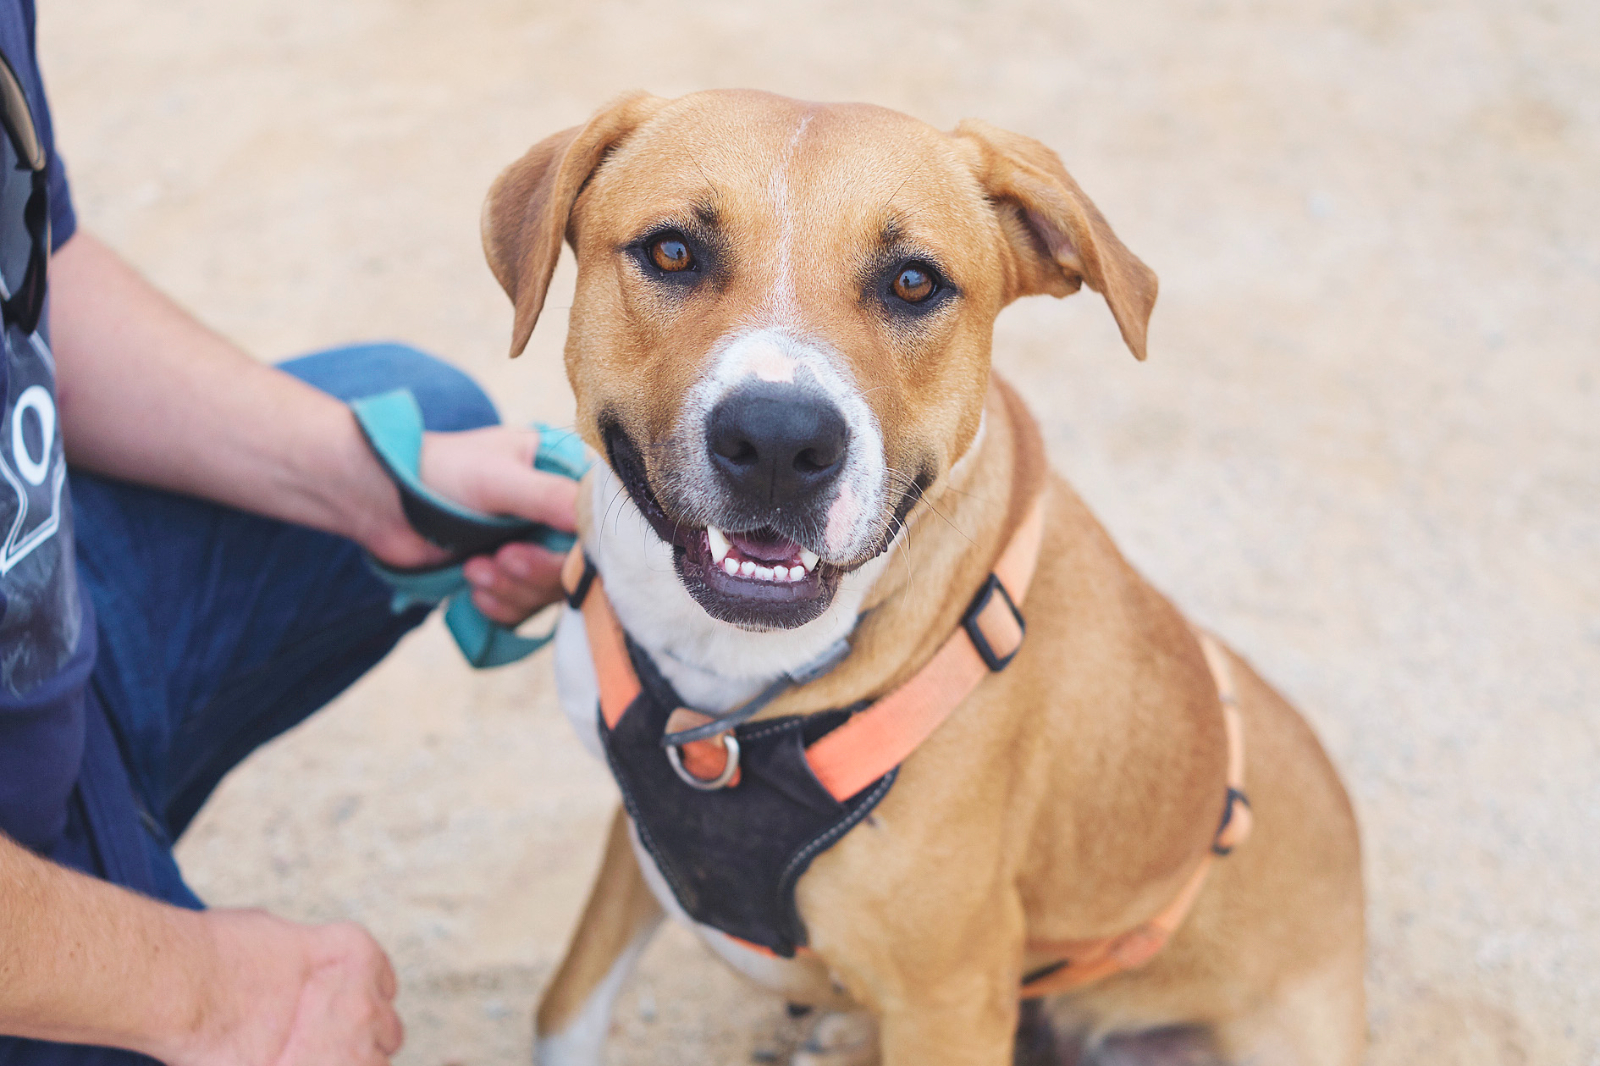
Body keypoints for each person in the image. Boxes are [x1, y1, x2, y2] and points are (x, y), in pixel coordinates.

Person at [0, 3, 576, 1063]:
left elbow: (33, 275)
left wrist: (372, 482)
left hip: (47, 647)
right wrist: (206, 995)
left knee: (423, 410)